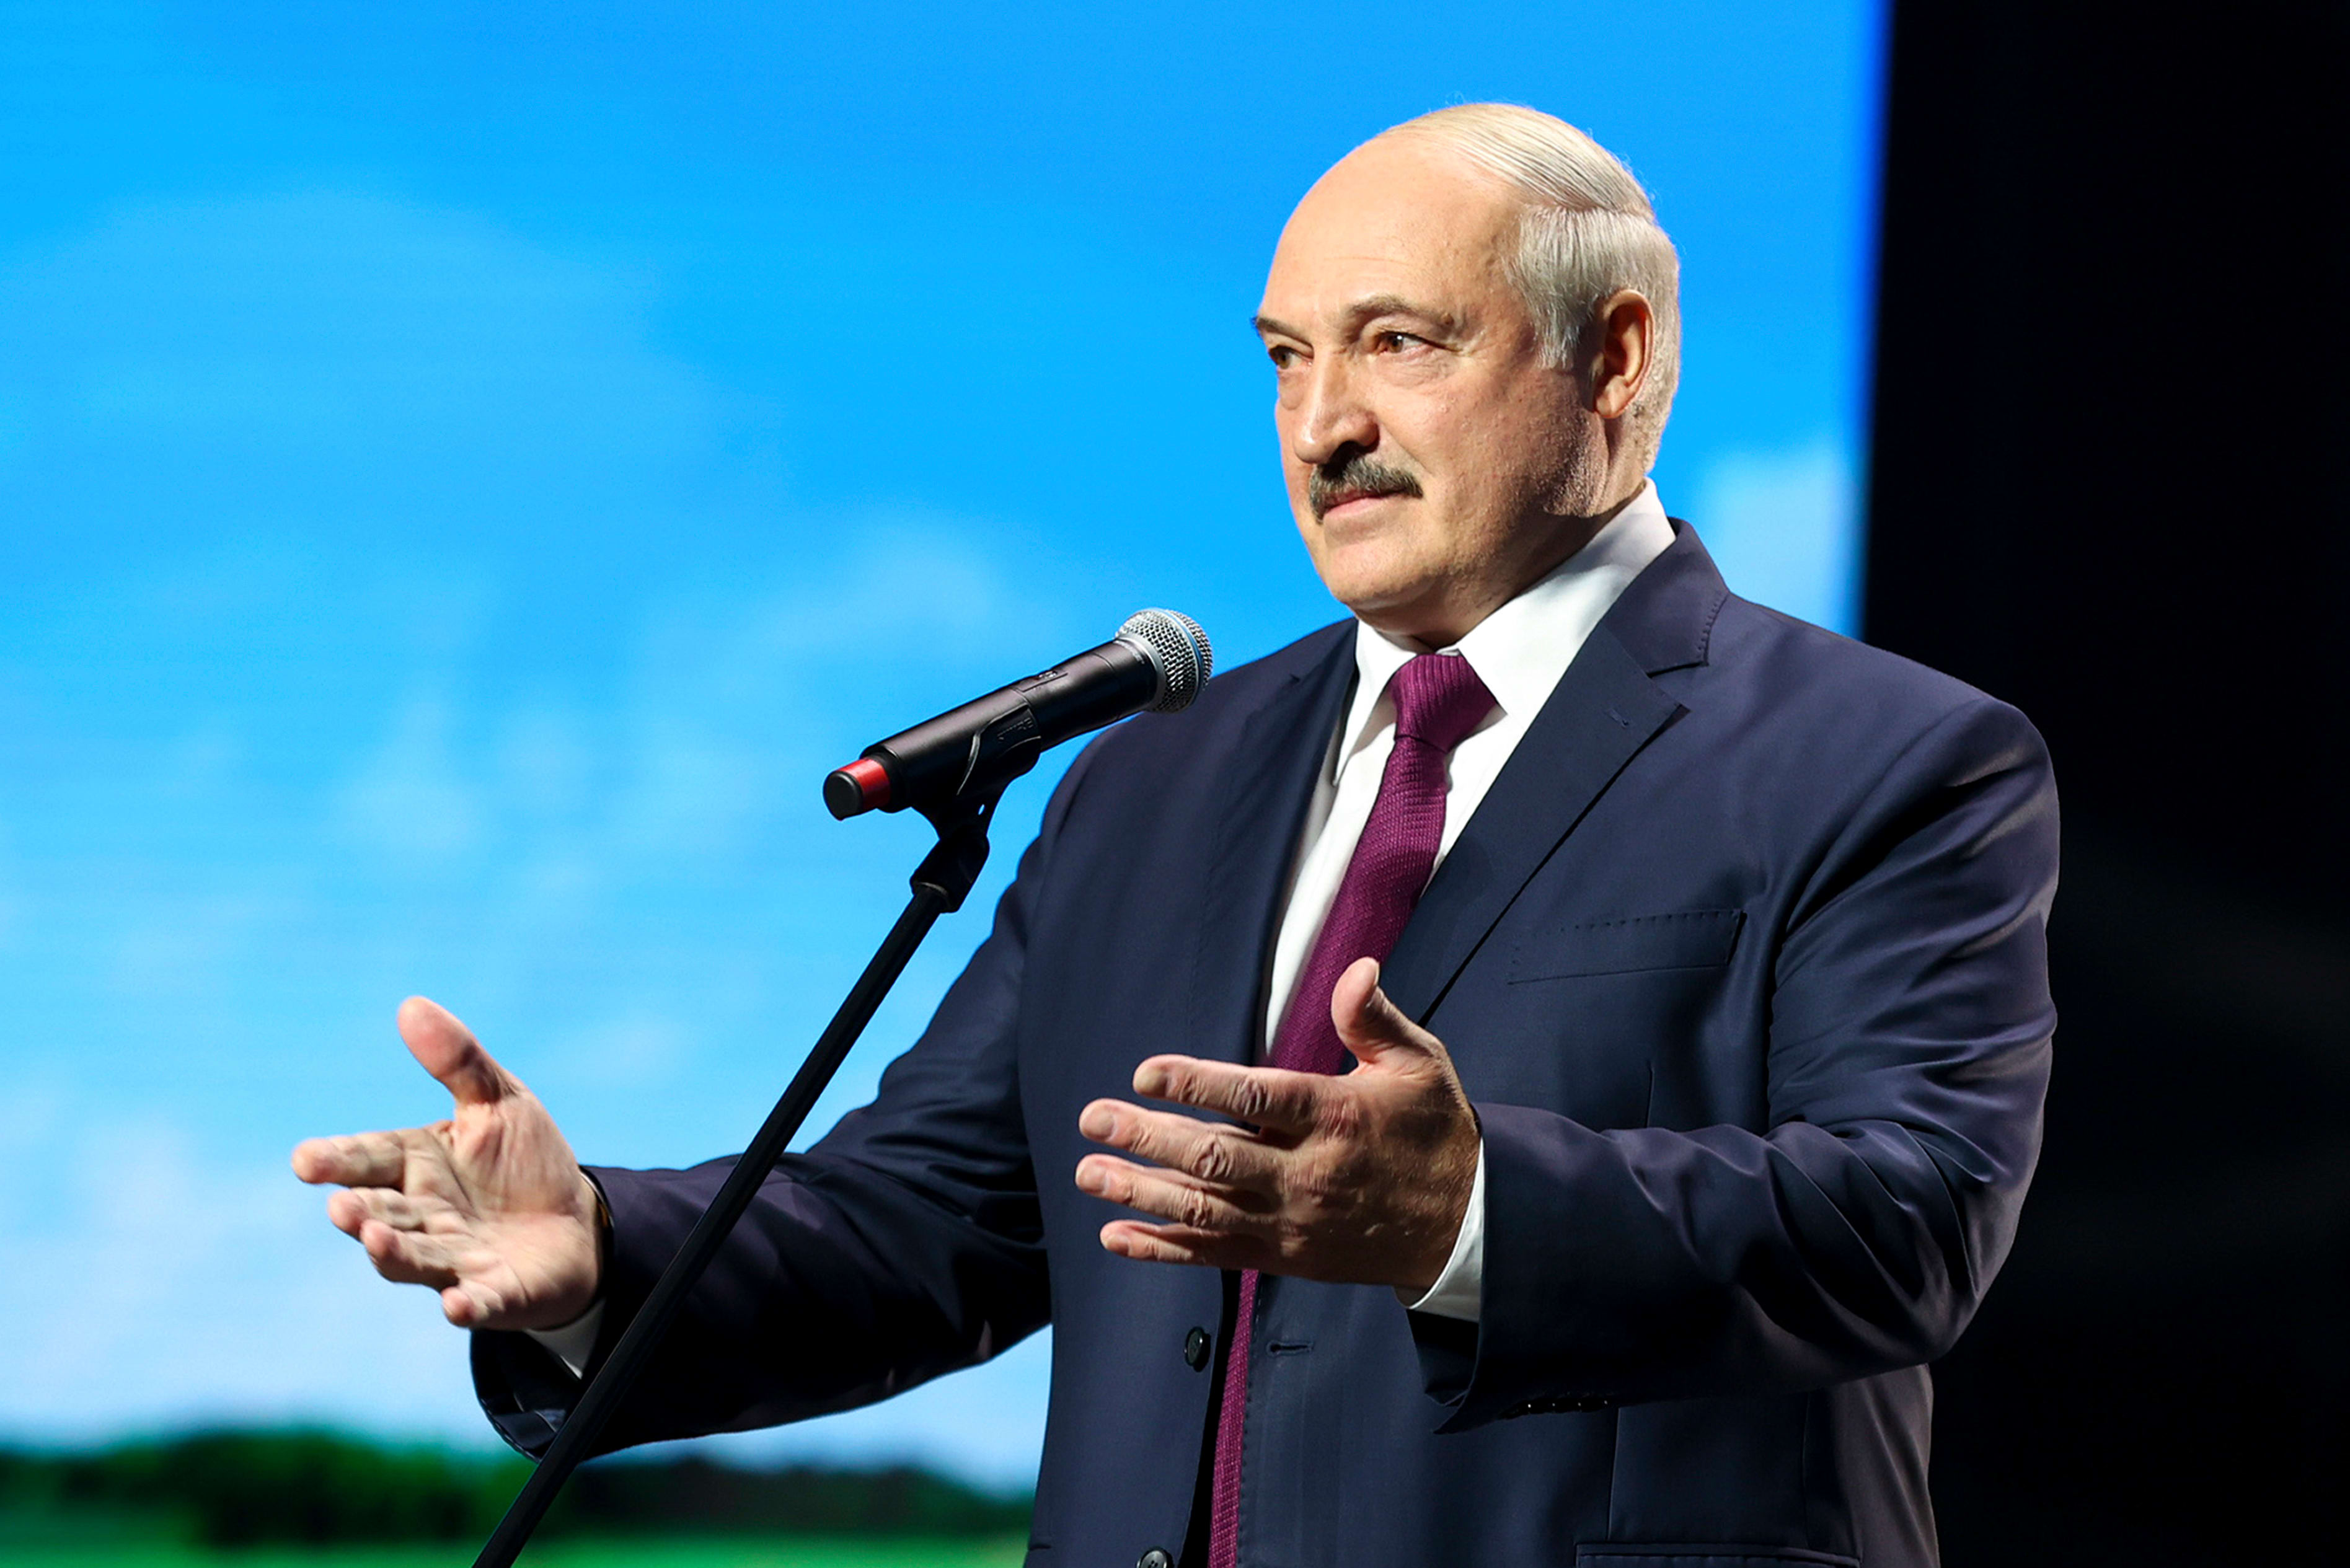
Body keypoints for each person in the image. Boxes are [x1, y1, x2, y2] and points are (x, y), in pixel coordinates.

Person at [293, 104, 2056, 1568]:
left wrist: (1473, 1211)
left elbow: (1910, 1218)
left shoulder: (1886, 759)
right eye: (1289, 358)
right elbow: (936, 1217)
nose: (1325, 424)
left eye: (1398, 343)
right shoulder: (1153, 778)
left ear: (1617, 356)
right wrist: (599, 1251)